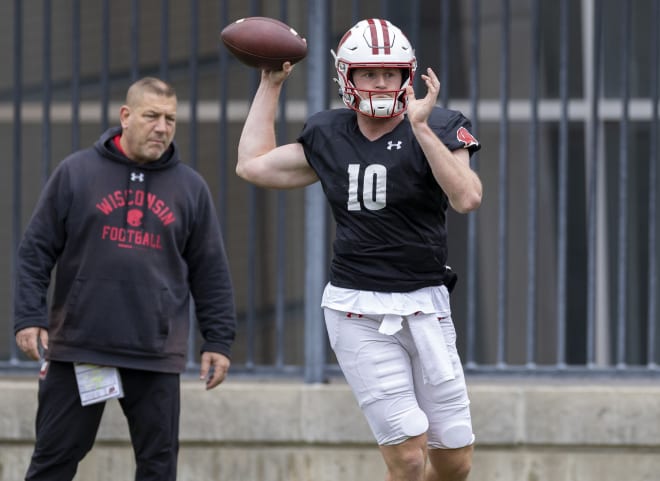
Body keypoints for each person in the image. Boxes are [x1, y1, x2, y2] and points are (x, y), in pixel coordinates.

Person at [236, 18, 482, 481]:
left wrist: (422, 131)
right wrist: (270, 84)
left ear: (407, 75)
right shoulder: (329, 132)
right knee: (408, 455)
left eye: (390, 73)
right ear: (346, 77)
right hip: (357, 307)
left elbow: (467, 198)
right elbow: (253, 166)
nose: (381, 82)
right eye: (369, 73)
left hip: (426, 302)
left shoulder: (444, 124)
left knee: (453, 459)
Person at [13, 76, 236, 481]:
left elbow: (211, 270)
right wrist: (29, 317)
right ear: (126, 116)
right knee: (53, 462)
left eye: (170, 119)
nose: (162, 127)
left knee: (157, 468)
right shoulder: (76, 173)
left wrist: (218, 340)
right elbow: (35, 251)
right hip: (80, 346)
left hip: (154, 352)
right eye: (152, 116)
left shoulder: (190, 188)